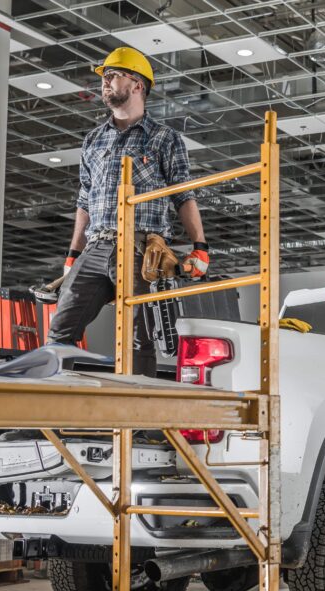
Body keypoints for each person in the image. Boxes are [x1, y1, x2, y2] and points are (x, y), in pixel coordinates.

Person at [48, 46, 209, 377]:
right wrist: (72, 255)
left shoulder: (165, 139)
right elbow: (84, 200)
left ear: (137, 84)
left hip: (141, 249)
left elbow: (183, 195)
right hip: (95, 248)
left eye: (112, 76)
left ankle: (137, 428)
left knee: (140, 339)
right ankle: (53, 418)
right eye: (104, 78)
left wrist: (200, 247)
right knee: (59, 331)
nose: (104, 84)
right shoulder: (93, 140)